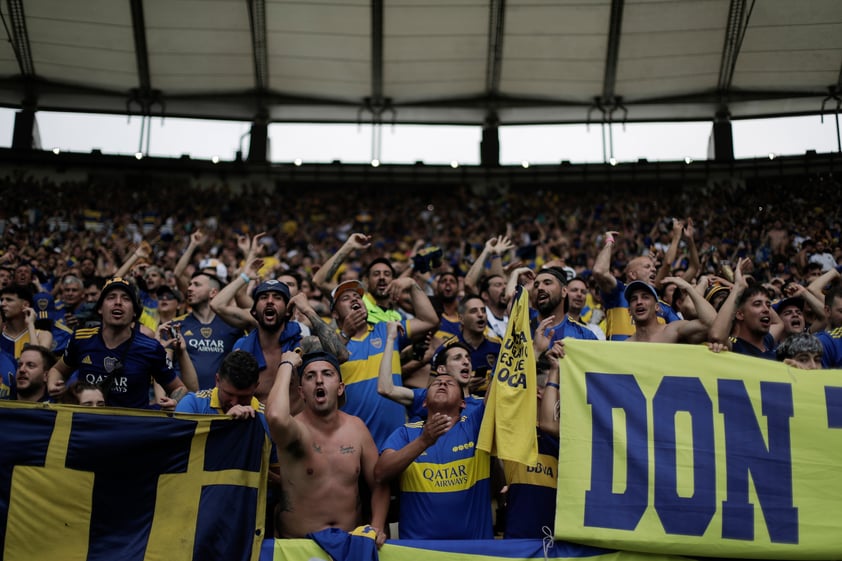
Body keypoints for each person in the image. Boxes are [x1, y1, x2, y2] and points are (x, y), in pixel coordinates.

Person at [265, 350, 388, 545]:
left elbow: (379, 482)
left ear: (340, 388)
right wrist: (286, 364)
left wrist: (377, 525)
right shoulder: (294, 431)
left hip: (348, 543)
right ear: (301, 392)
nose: (319, 381)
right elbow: (275, 416)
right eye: (310, 376)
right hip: (299, 547)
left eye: (327, 374)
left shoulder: (357, 428)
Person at [374, 370, 492, 540]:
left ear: (463, 403)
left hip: (471, 550)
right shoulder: (406, 433)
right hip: (420, 551)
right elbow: (381, 473)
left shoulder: (475, 426)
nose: (442, 384)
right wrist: (424, 441)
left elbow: (497, 390)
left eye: (449, 383)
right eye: (436, 383)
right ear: (424, 403)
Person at [212, 258, 347, 405]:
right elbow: (216, 305)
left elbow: (341, 355)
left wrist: (308, 310)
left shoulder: (303, 345)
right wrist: (244, 277)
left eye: (277, 298)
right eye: (263, 297)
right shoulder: (242, 349)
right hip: (255, 425)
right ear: (254, 312)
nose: (270, 301)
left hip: (293, 425)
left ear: (288, 311)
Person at [46, 277, 188, 409]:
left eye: (126, 299)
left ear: (134, 312)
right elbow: (57, 370)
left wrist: (175, 401)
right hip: (88, 426)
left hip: (131, 430)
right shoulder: (81, 338)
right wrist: (53, 384)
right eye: (111, 297)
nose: (118, 302)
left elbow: (179, 388)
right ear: (100, 308)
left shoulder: (150, 347)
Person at [331, 278, 439, 448]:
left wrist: (412, 285)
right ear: (335, 314)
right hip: (353, 444)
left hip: (395, 441)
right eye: (345, 298)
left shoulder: (386, 329)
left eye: (357, 296)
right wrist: (345, 334)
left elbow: (429, 321)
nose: (354, 299)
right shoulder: (333, 343)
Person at [378, 326, 484, 421]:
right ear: (442, 369)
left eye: (468, 359)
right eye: (457, 358)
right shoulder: (428, 396)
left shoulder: (482, 404)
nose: (466, 362)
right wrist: (390, 339)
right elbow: (386, 389)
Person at [592, 230, 680, 340]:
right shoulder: (618, 292)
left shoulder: (664, 307)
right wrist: (609, 242)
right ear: (632, 274)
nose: (653, 270)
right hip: (619, 357)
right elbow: (599, 271)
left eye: (653, 268)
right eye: (647, 267)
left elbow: (684, 335)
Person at [176, 272, 243, 389]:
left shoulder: (233, 326)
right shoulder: (177, 326)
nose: (190, 288)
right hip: (186, 401)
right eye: (190, 284)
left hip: (221, 400)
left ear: (213, 292)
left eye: (197, 285)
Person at [625, 278, 716, 343]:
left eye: (645, 297)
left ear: (657, 307)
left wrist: (689, 288)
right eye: (634, 299)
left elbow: (712, 325)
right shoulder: (625, 345)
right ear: (629, 310)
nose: (639, 302)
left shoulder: (672, 331)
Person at [532, 268, 597, 354]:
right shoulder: (521, 331)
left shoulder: (584, 335)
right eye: (536, 285)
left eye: (547, 283)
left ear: (564, 291)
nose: (540, 288)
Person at [0, 285, 54, 357]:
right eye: (1, 300)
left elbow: (36, 359)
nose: (2, 304)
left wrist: (30, 324)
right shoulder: (1, 334)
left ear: (25, 305)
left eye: (9, 300)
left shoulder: (43, 335)